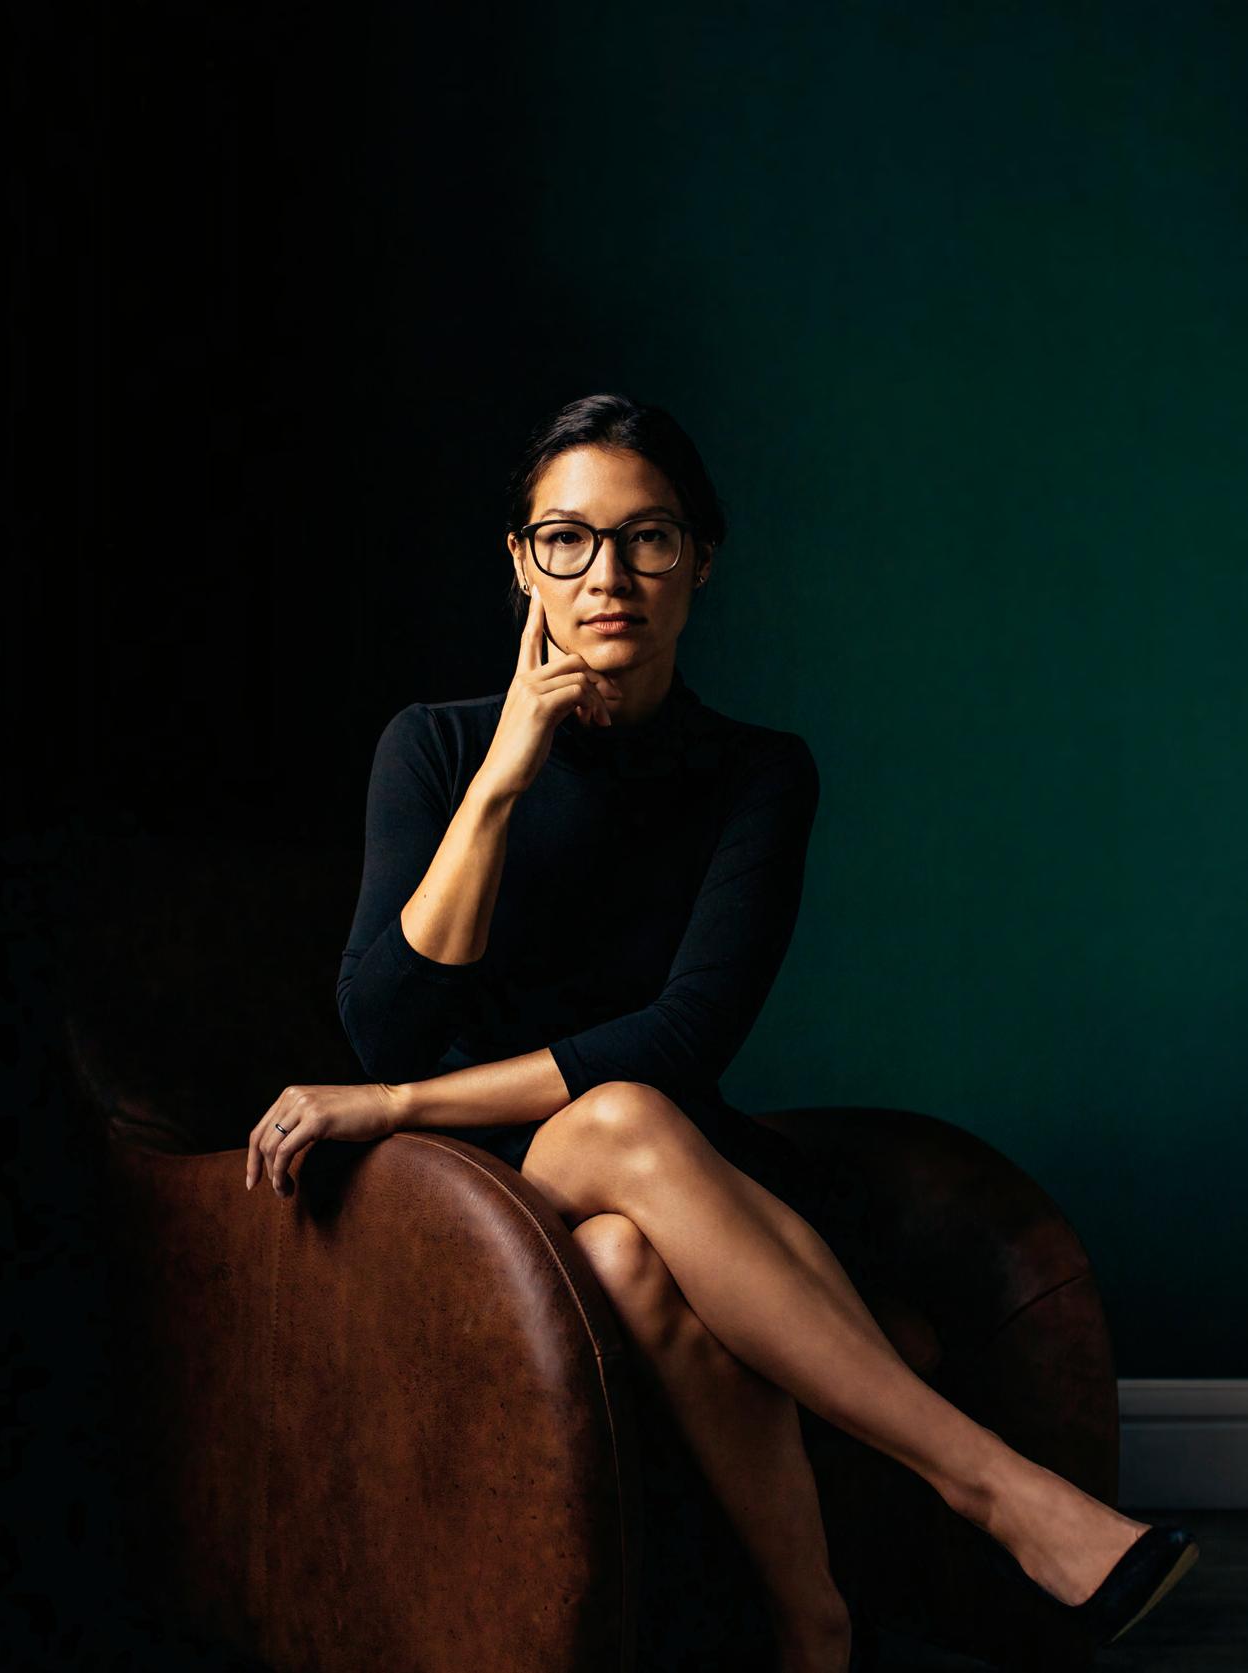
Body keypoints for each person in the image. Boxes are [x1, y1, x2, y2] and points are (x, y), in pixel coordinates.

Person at [244, 393, 1199, 1672]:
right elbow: (386, 1030)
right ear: (521, 561)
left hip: (661, 1161)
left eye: (647, 537)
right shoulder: (434, 747)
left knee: (629, 1248)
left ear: (700, 560)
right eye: (567, 539)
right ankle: (996, 1490)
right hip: (472, 1195)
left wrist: (395, 1104)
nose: (607, 577)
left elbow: (682, 1036)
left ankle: (812, 1627)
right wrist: (506, 775)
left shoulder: (757, 772)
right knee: (614, 1117)